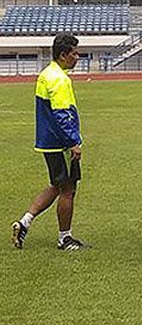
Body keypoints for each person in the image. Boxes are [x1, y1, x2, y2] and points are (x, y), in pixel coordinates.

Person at [11, 35, 88, 251]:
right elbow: (62, 114)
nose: (77, 57)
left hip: (47, 140)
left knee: (57, 185)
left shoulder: (47, 74)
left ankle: (24, 222)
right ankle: (65, 238)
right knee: (68, 189)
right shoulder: (60, 79)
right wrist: (73, 141)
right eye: (74, 53)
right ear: (63, 55)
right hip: (59, 143)